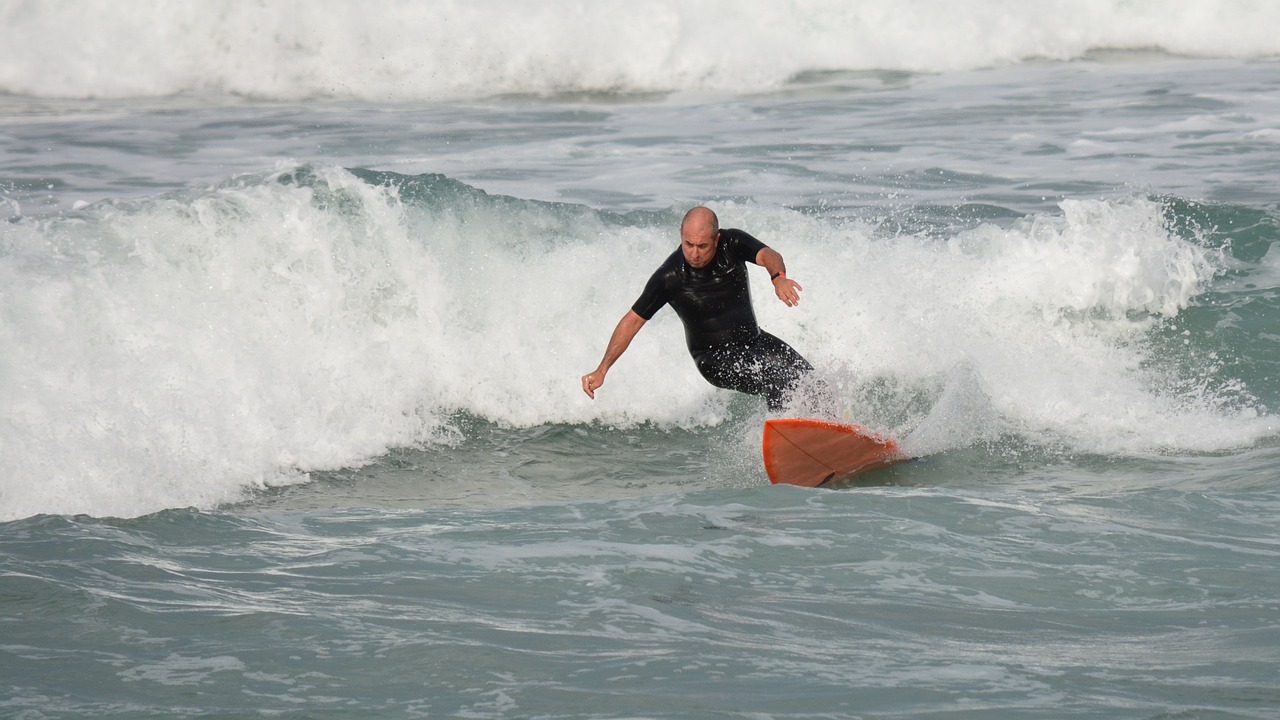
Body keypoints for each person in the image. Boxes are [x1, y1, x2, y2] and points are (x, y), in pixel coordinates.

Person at [581, 206, 814, 411]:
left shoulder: (732, 243)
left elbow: (768, 255)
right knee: (776, 377)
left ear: (716, 239)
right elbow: (632, 321)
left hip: (754, 340)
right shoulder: (669, 277)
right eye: (688, 244)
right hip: (713, 358)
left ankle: (836, 430)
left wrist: (778, 278)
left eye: (702, 246)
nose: (694, 253)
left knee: (809, 379)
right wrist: (602, 369)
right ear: (680, 236)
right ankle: (788, 434)